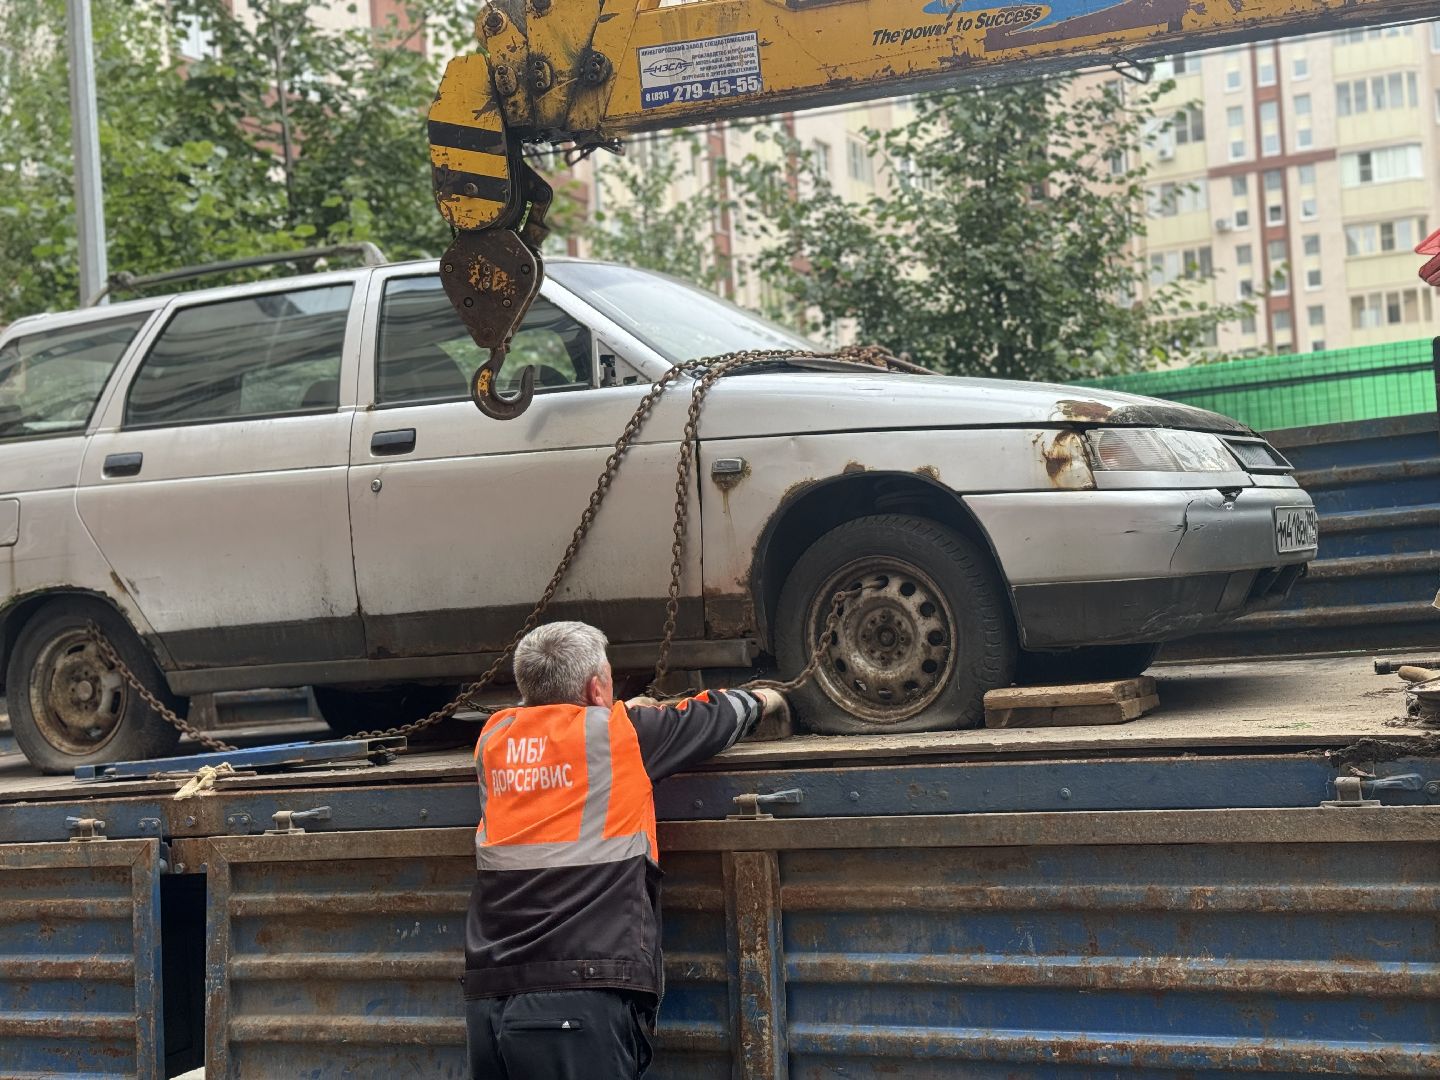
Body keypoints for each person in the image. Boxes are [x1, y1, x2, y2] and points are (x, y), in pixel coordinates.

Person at [464, 620, 787, 1079]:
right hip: (579, 998)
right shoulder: (622, 735)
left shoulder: (494, 739)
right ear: (598, 689)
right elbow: (716, 716)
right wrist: (770, 697)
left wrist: (621, 712)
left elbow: (554, 739)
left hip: (489, 1001)